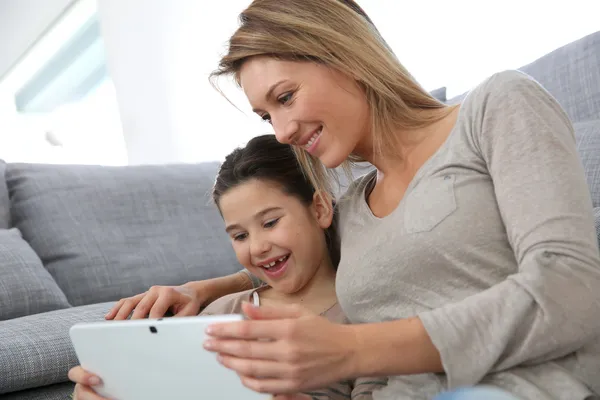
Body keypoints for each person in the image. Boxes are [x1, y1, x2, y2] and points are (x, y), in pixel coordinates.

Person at [192, 1, 600, 399]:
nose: (281, 132)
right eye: (266, 117)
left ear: (344, 55)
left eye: (285, 98)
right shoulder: (350, 210)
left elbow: (570, 288)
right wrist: (203, 292)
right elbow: (289, 255)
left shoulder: (494, 108)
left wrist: (352, 350)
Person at [67, 134, 386, 400]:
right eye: (240, 235)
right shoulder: (219, 316)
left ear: (319, 208)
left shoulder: (366, 314)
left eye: (271, 222)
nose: (257, 247)